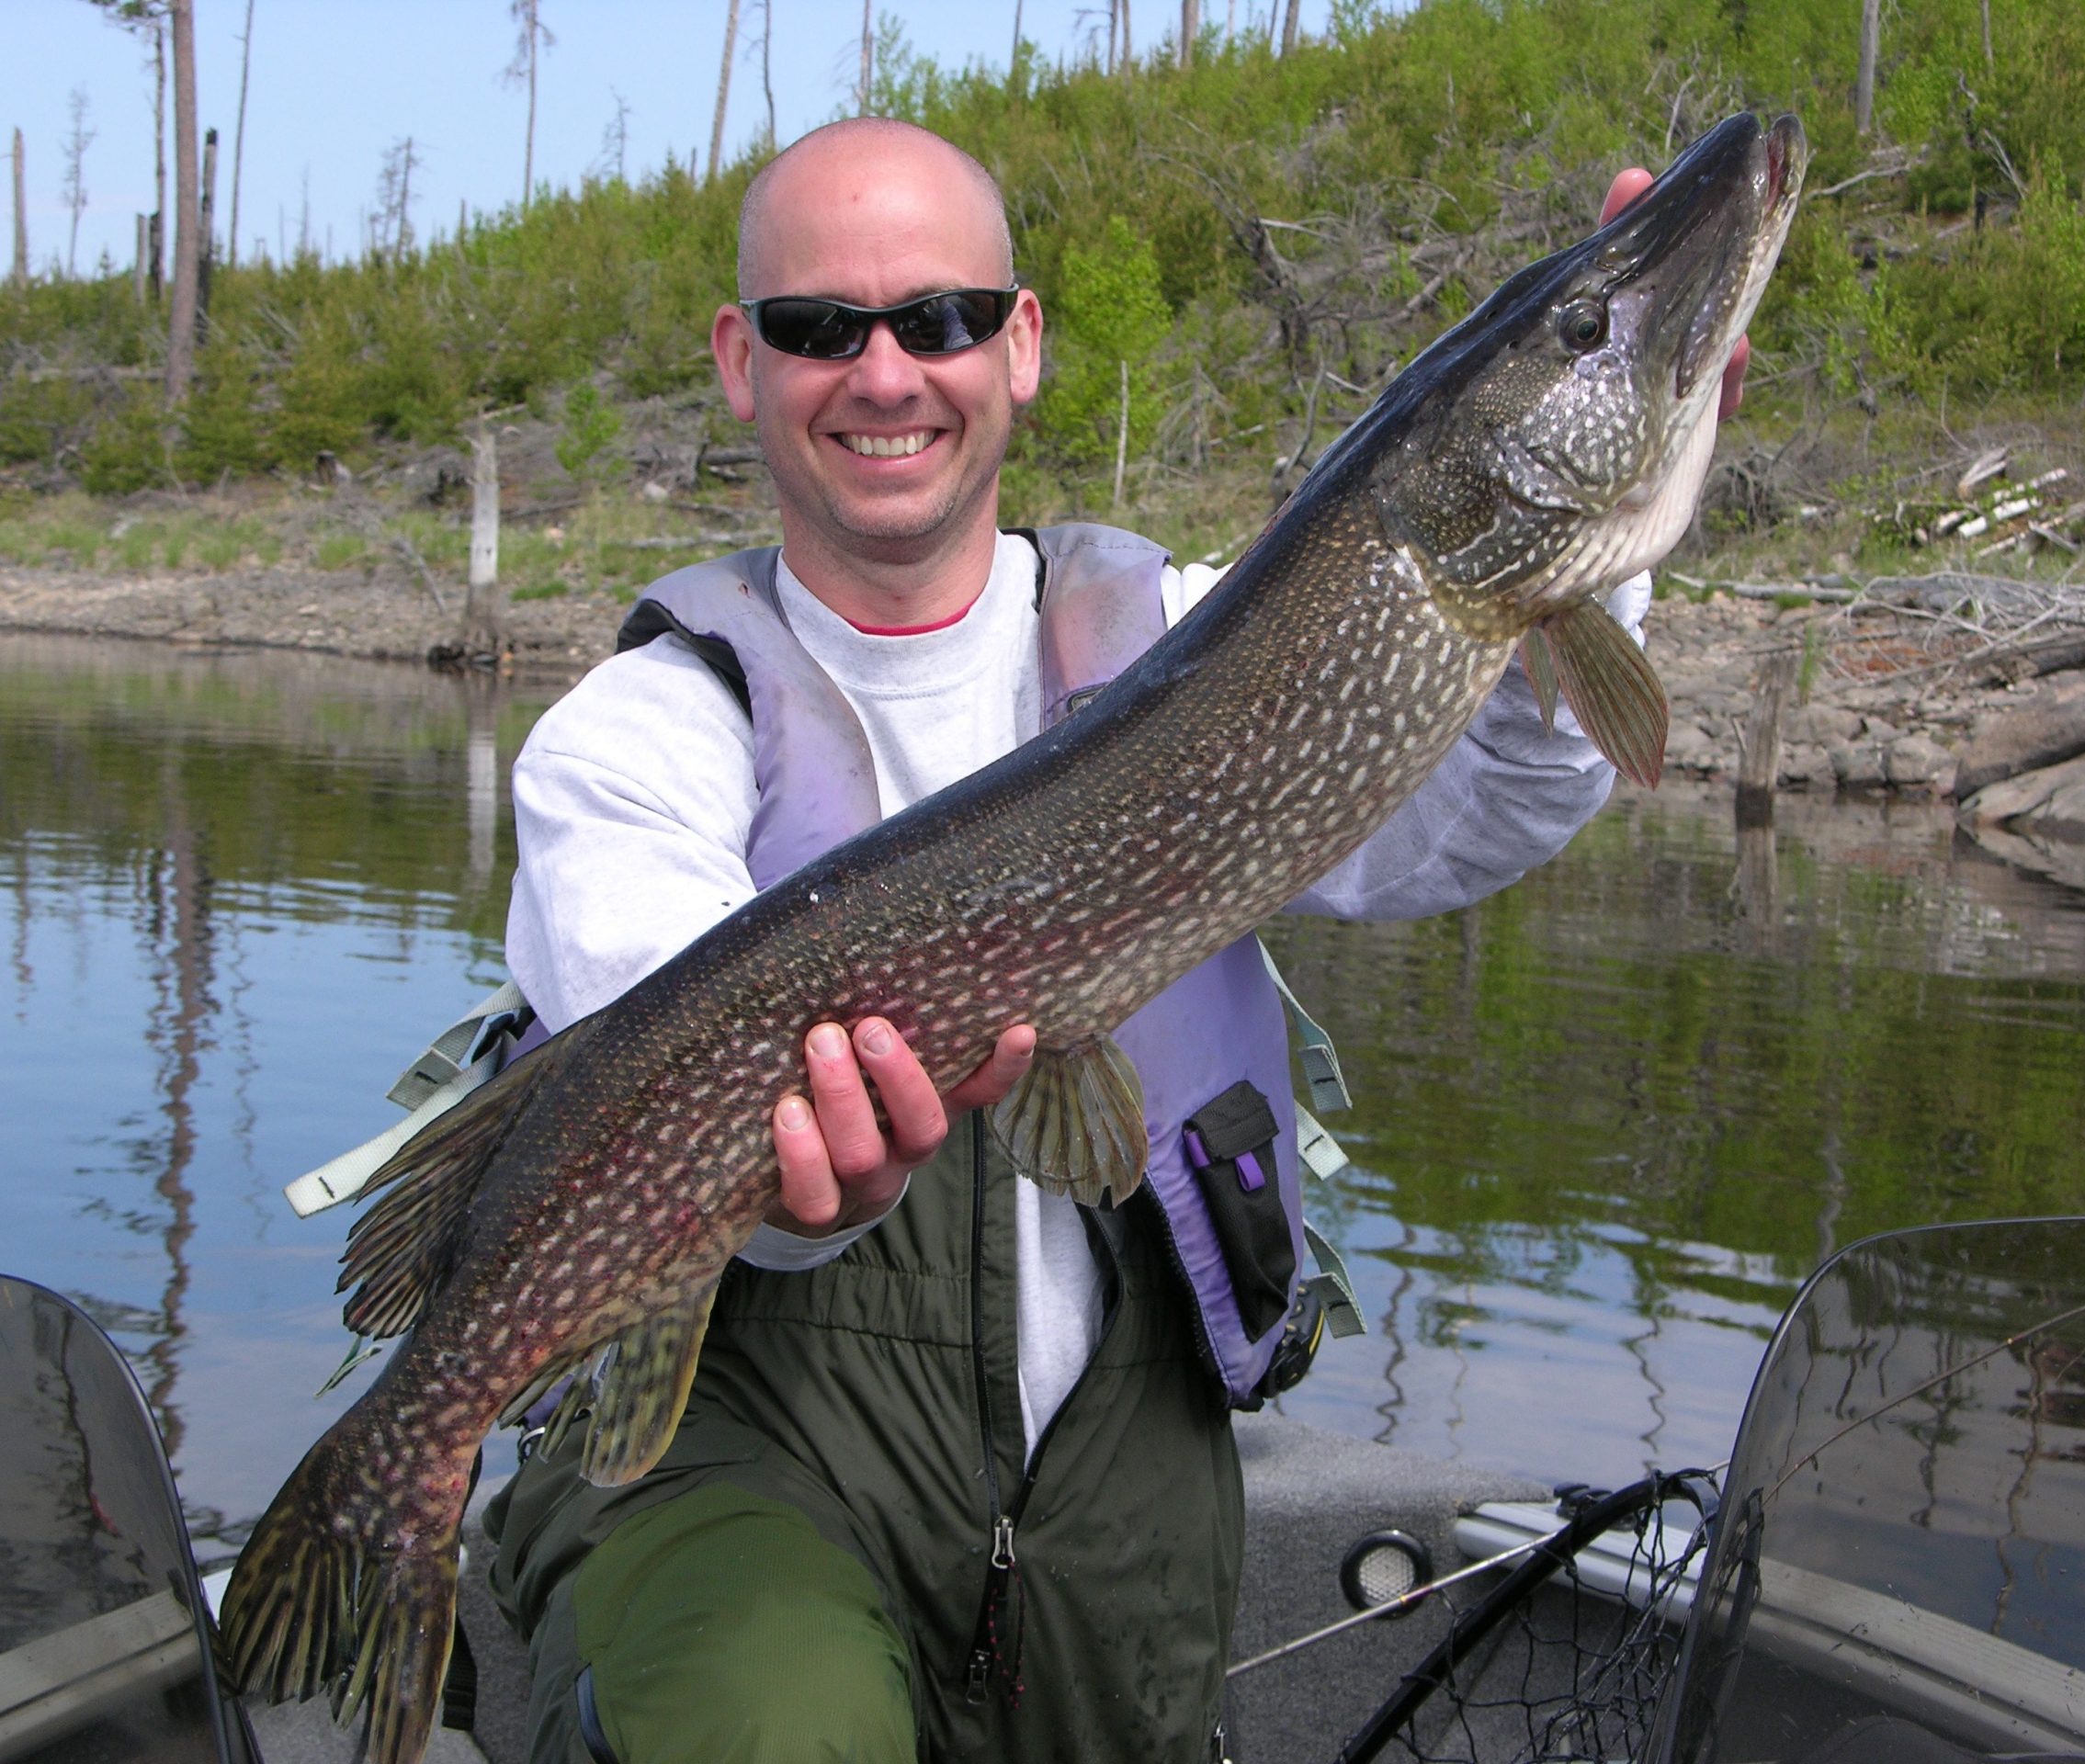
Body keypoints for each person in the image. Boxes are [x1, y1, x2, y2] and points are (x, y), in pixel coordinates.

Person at [484, 118, 1747, 1764]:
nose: (885, 372)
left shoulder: (1211, 637)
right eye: (820, 327)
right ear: (741, 361)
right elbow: (656, 1113)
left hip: (1116, 1487)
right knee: (770, 1731)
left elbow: (1477, 812)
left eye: (939, 318)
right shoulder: (635, 741)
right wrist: (796, 1208)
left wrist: (1598, 554)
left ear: (1019, 345)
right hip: (745, 1457)